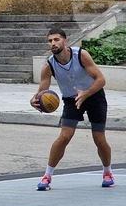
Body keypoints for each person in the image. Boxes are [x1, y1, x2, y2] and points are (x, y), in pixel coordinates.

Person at [30, 27, 113, 191]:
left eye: (56, 39)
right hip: (71, 99)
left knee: (99, 138)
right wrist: (34, 100)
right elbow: (41, 91)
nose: (53, 43)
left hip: (94, 95)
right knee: (64, 137)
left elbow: (101, 79)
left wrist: (86, 93)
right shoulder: (49, 66)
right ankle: (47, 176)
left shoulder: (81, 55)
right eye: (50, 41)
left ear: (65, 41)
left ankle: (107, 173)